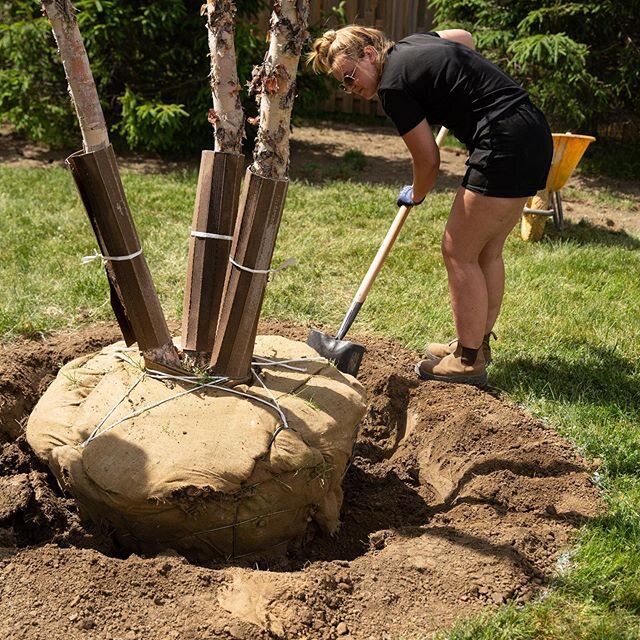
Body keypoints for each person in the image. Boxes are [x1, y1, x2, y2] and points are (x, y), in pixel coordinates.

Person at [308, 26, 553, 386]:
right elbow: (465, 37)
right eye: (343, 84)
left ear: (370, 55)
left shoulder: (392, 87)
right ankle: (476, 345)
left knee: (458, 251)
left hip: (502, 142)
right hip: (531, 131)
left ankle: (468, 361)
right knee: (487, 252)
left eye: (350, 76)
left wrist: (416, 194)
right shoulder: (415, 43)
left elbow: (428, 161)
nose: (351, 88)